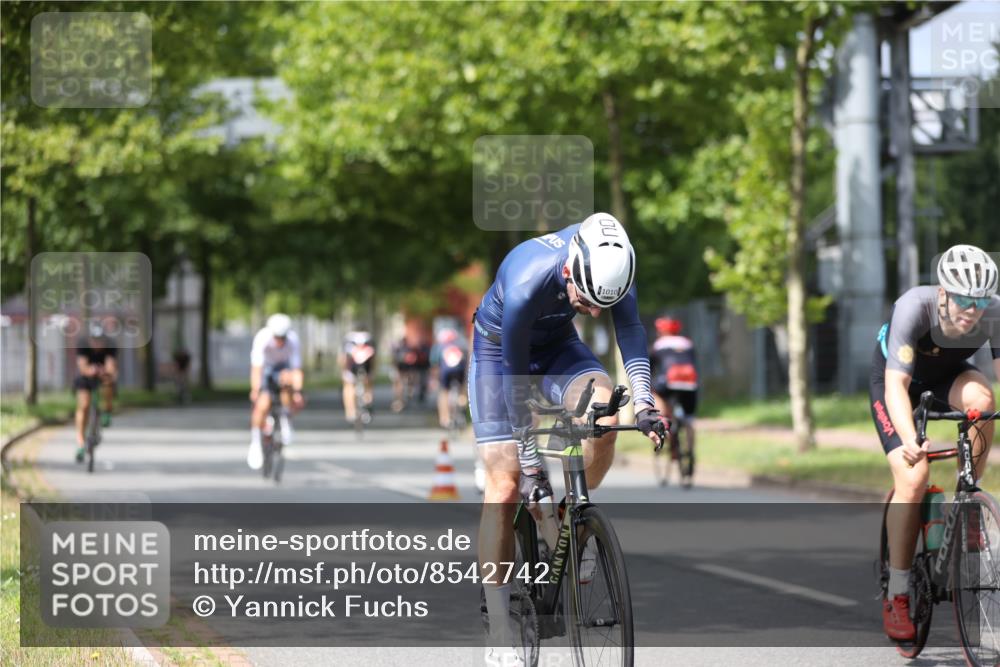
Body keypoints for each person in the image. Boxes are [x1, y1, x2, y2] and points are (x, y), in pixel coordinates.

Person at [469, 213, 667, 665]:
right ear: (570, 268)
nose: (596, 312)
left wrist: (645, 403)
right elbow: (516, 379)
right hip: (500, 352)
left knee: (604, 405)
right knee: (505, 482)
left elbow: (631, 333)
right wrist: (532, 465)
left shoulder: (615, 267)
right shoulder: (526, 276)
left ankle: (571, 521)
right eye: (589, 301)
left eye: (603, 304)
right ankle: (500, 626)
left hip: (559, 346)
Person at [872, 244, 999, 641]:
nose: (972, 309)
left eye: (979, 300)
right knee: (915, 476)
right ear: (943, 293)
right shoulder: (914, 307)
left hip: (947, 374)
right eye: (963, 298)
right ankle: (897, 594)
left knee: (984, 402)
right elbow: (896, 386)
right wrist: (910, 439)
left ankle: (968, 496)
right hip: (895, 381)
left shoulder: (993, 312)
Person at [247, 314, 304, 469]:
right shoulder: (262, 338)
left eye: (282, 338)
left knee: (287, 382)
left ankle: (285, 420)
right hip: (266, 368)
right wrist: (255, 390)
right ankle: (256, 442)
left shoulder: (292, 340)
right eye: (277, 337)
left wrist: (298, 393)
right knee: (262, 404)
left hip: (283, 368)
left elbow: (296, 370)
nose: (280, 341)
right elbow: (257, 369)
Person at [649, 316, 699, 482]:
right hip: (689, 383)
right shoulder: (687, 343)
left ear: (661, 331)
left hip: (668, 382)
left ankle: (665, 427)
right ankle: (690, 452)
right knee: (690, 420)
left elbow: (650, 368)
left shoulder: (658, 345)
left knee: (657, 399)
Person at [73, 325, 118, 463]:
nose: (97, 343)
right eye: (94, 340)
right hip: (86, 377)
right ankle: (80, 443)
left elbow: (111, 366)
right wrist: (91, 370)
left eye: (100, 340)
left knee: (109, 382)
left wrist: (105, 372)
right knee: (84, 406)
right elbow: (82, 366)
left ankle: (106, 410)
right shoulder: (83, 344)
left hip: (103, 375)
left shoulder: (110, 345)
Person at [431, 327, 468, 429]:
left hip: (446, 372)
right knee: (462, 388)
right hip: (460, 370)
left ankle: (445, 418)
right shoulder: (461, 344)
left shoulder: (439, 347)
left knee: (444, 392)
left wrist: (434, 379)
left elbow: (434, 364)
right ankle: (462, 403)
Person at [341, 328, 376, 423]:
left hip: (352, 366)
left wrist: (343, 372)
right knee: (368, 384)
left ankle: (350, 412)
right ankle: (368, 404)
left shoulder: (348, 338)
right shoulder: (369, 337)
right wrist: (372, 373)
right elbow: (373, 359)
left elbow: (343, 359)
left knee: (348, 386)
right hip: (366, 366)